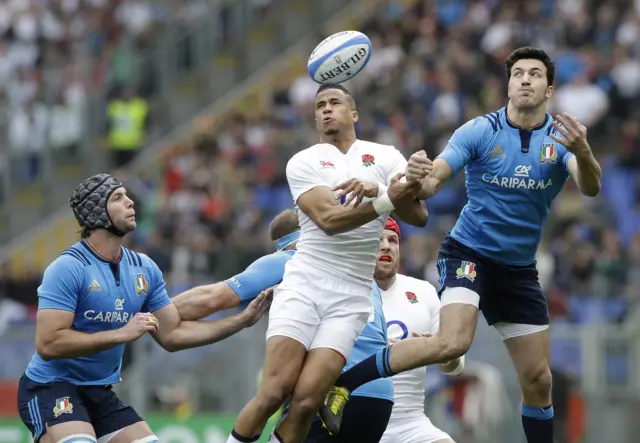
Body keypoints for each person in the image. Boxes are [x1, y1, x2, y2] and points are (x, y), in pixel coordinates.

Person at [320, 46, 603, 443]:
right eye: (518, 73)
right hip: (468, 254)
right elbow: (433, 182)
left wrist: (584, 151)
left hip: (518, 270)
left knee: (539, 380)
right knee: (453, 342)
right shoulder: (479, 130)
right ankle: (343, 385)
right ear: (508, 83)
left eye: (535, 74)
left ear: (549, 89)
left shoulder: (561, 140)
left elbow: (590, 187)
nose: (525, 79)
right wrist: (418, 176)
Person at [226, 83, 429, 443]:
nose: (326, 109)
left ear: (354, 114)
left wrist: (383, 188)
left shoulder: (386, 156)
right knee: (274, 392)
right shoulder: (303, 161)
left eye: (335, 102)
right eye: (320, 105)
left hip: (351, 296)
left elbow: (419, 214)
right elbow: (330, 221)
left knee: (307, 402)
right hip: (306, 283)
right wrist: (384, 201)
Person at [17, 174, 271, 443]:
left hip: (98, 391)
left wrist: (240, 321)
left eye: (127, 196)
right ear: (95, 212)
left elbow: (172, 336)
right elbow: (48, 343)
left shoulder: (143, 268)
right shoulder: (67, 268)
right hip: (49, 386)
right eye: (118, 198)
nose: (130, 203)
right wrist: (121, 333)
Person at [173, 209, 397, 442]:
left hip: (330, 396)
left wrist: (159, 306)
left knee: (272, 395)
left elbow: (214, 297)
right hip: (380, 399)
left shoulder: (293, 261)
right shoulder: (362, 275)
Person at [375, 218, 458, 443]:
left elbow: (455, 367)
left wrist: (439, 350)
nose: (386, 246)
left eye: (393, 240)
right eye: (378, 240)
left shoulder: (423, 291)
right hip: (357, 423)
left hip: (410, 423)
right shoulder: (347, 293)